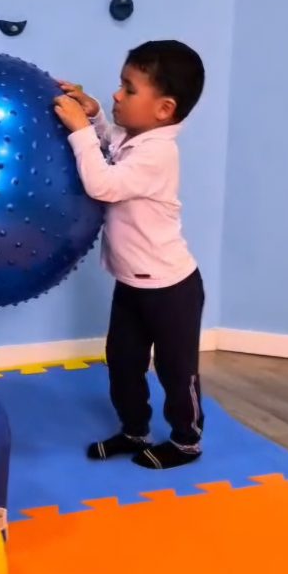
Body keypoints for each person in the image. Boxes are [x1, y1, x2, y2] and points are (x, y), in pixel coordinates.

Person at [53, 40, 205, 470]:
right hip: (132, 282)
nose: (117, 94)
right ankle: (134, 430)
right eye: (121, 84)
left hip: (171, 288)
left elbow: (103, 184)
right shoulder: (137, 138)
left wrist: (79, 131)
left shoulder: (158, 154)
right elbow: (111, 145)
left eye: (129, 89)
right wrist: (94, 115)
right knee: (122, 362)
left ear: (164, 109)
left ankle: (186, 440)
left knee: (176, 370)